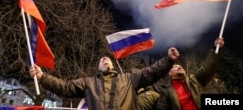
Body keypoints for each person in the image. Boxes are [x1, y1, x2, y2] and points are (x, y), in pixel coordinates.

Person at [29, 47, 180, 110]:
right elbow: (64, 87)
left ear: (113, 65)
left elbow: (151, 72)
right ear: (98, 67)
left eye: (107, 58)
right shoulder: (88, 83)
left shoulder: (128, 79)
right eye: (102, 59)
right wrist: (42, 76)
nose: (104, 59)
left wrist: (168, 60)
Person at [155, 37, 225, 110]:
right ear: (170, 73)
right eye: (175, 66)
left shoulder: (194, 79)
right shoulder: (166, 91)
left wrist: (216, 49)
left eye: (179, 65)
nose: (178, 66)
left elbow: (208, 68)